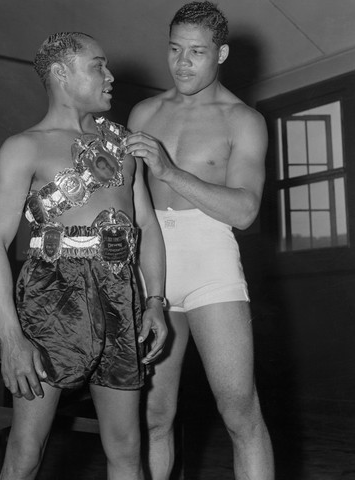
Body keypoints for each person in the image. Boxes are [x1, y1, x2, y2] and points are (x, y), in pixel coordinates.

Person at [0, 32, 167, 480]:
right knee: (25, 453)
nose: (111, 75)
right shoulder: (24, 147)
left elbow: (148, 229)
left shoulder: (123, 148)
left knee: (126, 449)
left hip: (121, 300)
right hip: (51, 301)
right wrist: (11, 338)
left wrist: (156, 301)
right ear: (62, 73)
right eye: (98, 65)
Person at [126, 2, 274, 479]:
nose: (182, 63)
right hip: (151, 268)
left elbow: (246, 211)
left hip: (210, 263)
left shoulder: (243, 120)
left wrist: (170, 171)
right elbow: (123, 202)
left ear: (221, 53)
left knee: (240, 413)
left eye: (196, 52)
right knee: (154, 416)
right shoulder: (144, 112)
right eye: (174, 49)